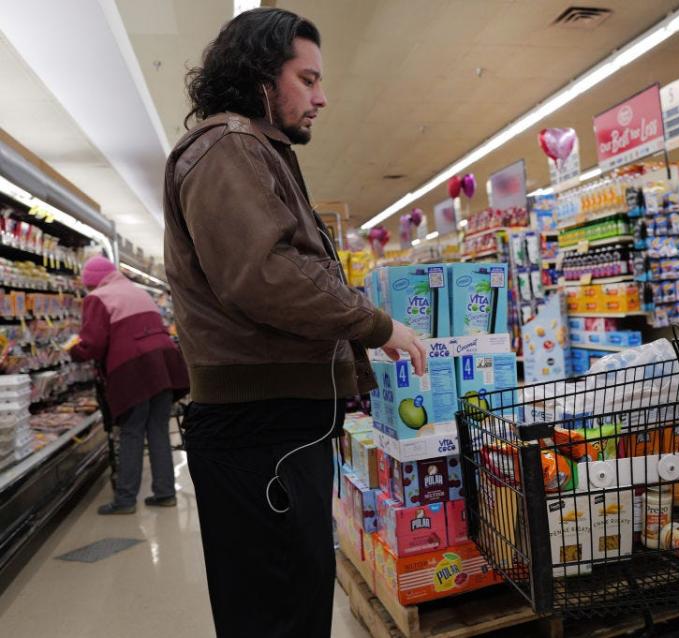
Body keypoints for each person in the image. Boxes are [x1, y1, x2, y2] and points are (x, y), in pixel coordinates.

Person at [162, 8, 426, 638]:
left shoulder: (247, 148)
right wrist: (375, 324)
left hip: (274, 429)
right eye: (307, 80)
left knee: (290, 600)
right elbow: (265, 273)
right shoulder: (229, 147)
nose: (322, 97)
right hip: (261, 433)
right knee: (279, 611)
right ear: (260, 78)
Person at [69, 256, 189, 514]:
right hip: (164, 366)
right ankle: (165, 492)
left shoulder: (98, 298)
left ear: (92, 282)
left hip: (133, 369)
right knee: (157, 430)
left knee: (132, 432)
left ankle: (125, 500)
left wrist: (74, 351)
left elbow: (94, 342)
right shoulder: (137, 291)